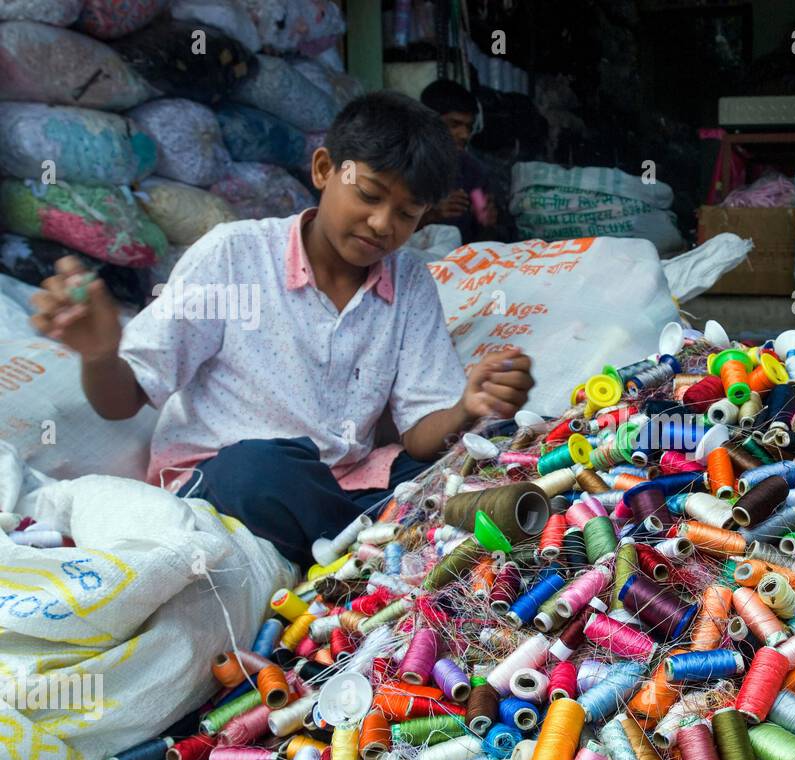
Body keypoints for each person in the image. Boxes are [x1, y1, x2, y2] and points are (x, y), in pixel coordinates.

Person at [28, 91, 534, 569]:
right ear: (323, 169)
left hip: (347, 484)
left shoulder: (410, 283)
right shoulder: (233, 255)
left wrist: (468, 407)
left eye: (406, 213)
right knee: (263, 471)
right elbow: (123, 397)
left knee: (483, 457)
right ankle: (381, 541)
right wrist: (99, 354)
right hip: (232, 480)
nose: (382, 224)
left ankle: (362, 544)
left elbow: (424, 436)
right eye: (370, 195)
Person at [419, 78, 505, 242]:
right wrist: (431, 215)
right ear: (428, 122)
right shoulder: (402, 166)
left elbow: (487, 243)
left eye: (468, 127)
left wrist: (487, 221)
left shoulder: (472, 171)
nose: (464, 135)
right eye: (454, 124)